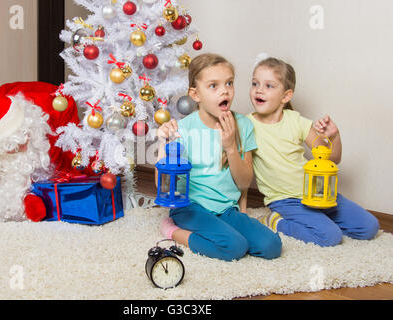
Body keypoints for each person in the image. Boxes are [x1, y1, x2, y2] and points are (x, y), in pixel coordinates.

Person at [156, 53, 282, 262]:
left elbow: (243, 182)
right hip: (190, 208)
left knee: (271, 246)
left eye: (229, 83)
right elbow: (165, 187)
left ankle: (222, 229)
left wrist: (230, 146)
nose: (225, 90)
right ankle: (172, 230)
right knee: (234, 247)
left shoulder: (243, 125)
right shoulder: (183, 129)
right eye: (213, 86)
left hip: (226, 209)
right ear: (195, 94)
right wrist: (162, 144)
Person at [247, 56, 379, 247]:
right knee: (329, 236)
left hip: (319, 193)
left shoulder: (297, 121)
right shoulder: (246, 125)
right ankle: (276, 221)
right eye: (255, 83)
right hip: (286, 200)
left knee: (369, 227)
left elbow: (332, 159)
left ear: (286, 96)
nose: (259, 89)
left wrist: (335, 137)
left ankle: (318, 219)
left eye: (269, 85)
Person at [0, 82, 81, 223]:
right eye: (13, 148)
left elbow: (74, 165)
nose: (23, 146)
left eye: (25, 136)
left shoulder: (51, 127)